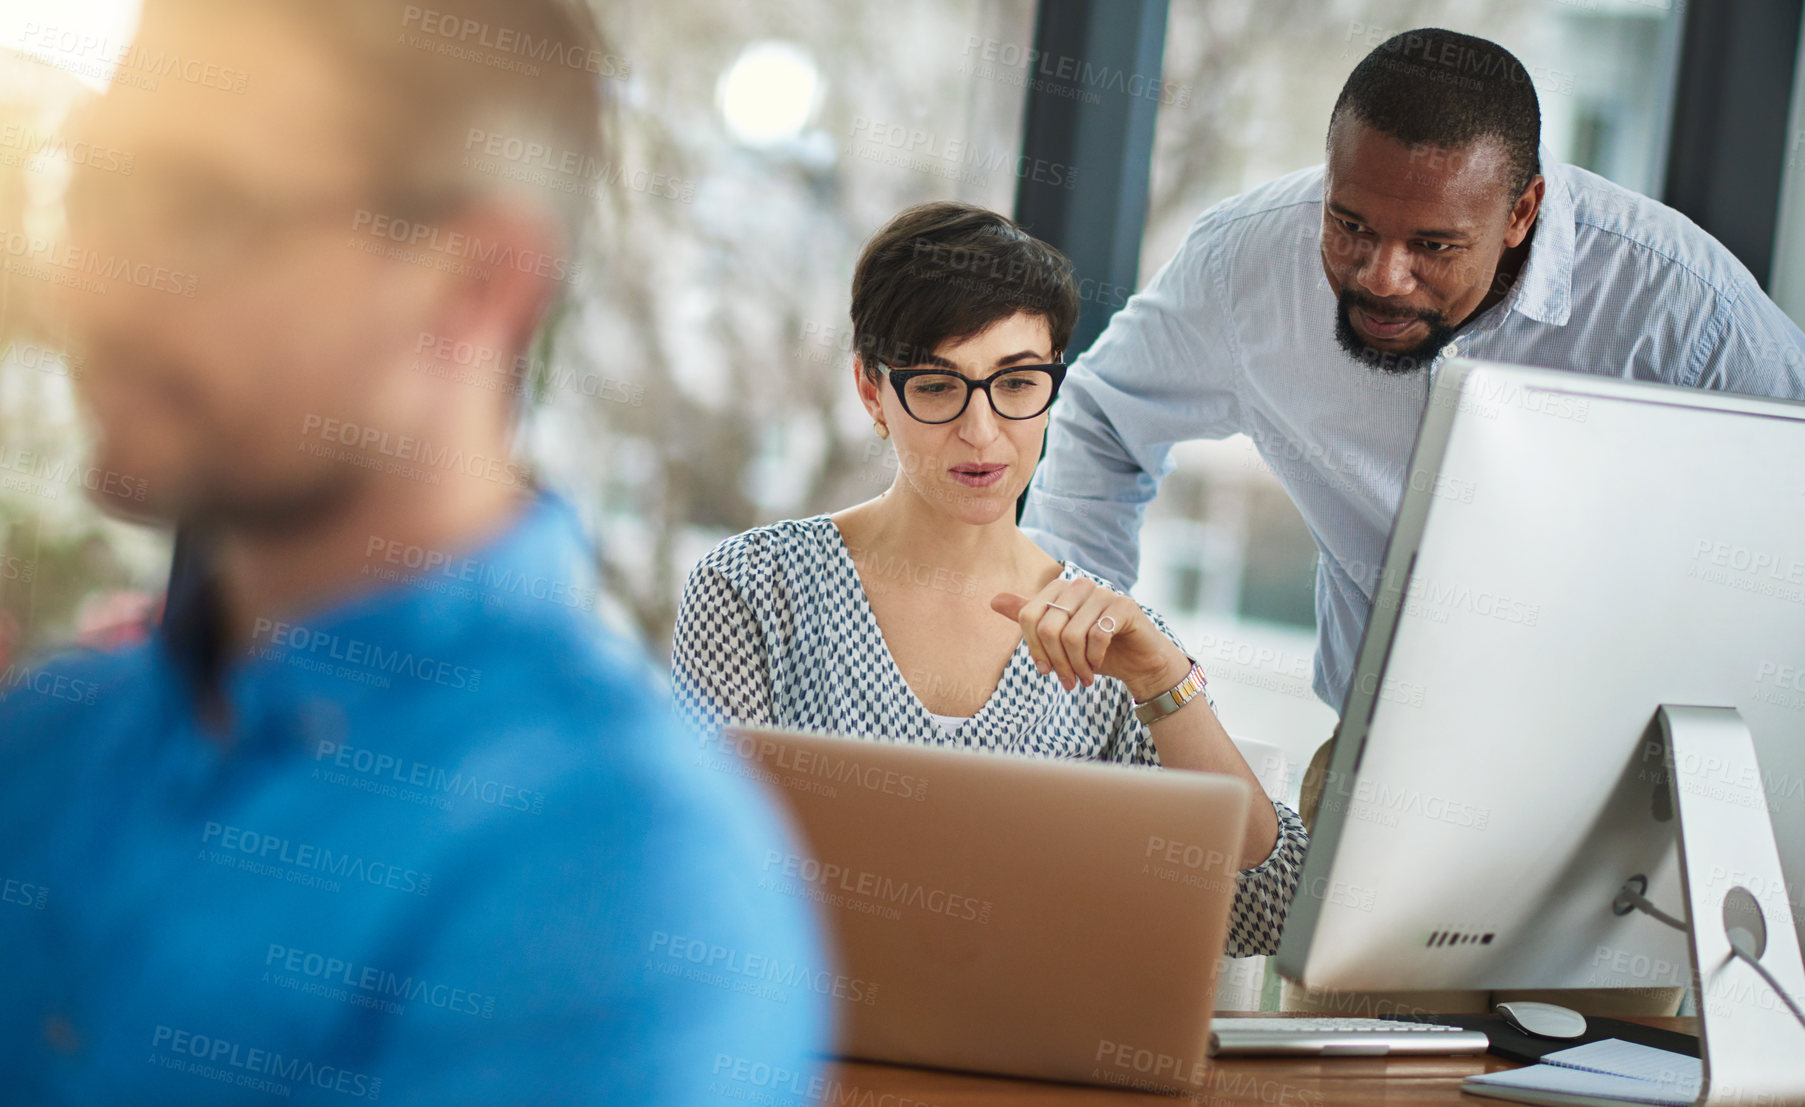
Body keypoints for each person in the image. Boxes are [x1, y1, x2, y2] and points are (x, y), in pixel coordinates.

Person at [0, 1, 825, 1102]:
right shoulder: (43, 742)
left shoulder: (621, 879)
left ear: (475, 283)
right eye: (91, 190)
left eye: (196, 210)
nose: (87, 285)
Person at [1019, 27, 1805, 715]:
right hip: (1365, 766)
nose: (1381, 276)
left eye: (1433, 245)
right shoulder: (1246, 263)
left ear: (1522, 212)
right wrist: (1079, 644)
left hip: (1623, 788)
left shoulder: (1684, 308)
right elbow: (1105, 416)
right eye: (1349, 223)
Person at [672, 202, 1307, 957]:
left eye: (1015, 383)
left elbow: (1266, 911)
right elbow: (689, 871)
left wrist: (1164, 680)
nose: (982, 432)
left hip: (1034, 1059)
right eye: (938, 387)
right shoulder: (753, 587)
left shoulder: (1107, 636)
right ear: (872, 392)